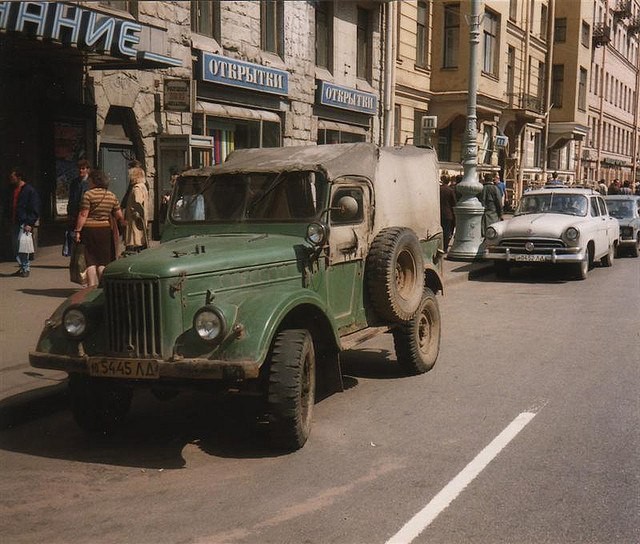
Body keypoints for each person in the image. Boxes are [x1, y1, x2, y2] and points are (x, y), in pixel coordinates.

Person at [73, 170, 124, 287]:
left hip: (89, 230)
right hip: (105, 231)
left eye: (90, 180)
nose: (88, 182)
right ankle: (103, 286)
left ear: (94, 181)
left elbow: (83, 214)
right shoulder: (111, 195)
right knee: (103, 261)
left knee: (90, 260)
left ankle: (91, 286)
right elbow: (119, 216)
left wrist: (78, 230)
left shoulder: (88, 195)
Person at [9, 167, 40, 277]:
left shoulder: (29, 190)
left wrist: (30, 223)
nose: (11, 179)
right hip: (15, 221)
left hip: (24, 222)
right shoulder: (13, 190)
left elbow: (34, 207)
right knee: (16, 246)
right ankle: (22, 266)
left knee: (22, 246)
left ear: (19, 177)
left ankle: (26, 268)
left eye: (12, 177)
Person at [124, 166, 149, 253]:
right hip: (141, 219)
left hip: (135, 220)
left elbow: (137, 203)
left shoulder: (137, 188)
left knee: (135, 240)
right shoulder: (143, 187)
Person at [67, 159, 90, 230]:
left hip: (87, 213)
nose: (80, 170)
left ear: (87, 170)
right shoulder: (74, 183)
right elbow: (71, 198)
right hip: (75, 213)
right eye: (79, 168)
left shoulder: (91, 182)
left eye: (83, 168)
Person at [439, 174, 457, 252]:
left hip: (439, 213)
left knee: (440, 230)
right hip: (448, 214)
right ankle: (445, 247)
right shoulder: (450, 190)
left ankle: (439, 246)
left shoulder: (439, 189)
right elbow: (454, 203)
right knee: (447, 231)